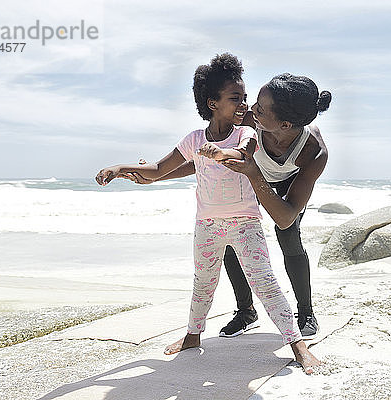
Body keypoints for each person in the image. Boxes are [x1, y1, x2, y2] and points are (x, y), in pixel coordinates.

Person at [95, 54, 320, 374]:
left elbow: (242, 154)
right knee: (203, 283)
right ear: (212, 102)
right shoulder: (194, 140)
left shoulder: (246, 134)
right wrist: (120, 169)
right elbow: (159, 169)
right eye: (235, 99)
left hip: (245, 224)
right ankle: (192, 335)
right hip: (207, 225)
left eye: (245, 98)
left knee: (265, 282)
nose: (244, 105)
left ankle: (298, 345)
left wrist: (219, 152)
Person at [132, 73, 331, 340]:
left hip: (281, 183)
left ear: (284, 123)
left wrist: (253, 174)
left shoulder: (313, 151)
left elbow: (285, 217)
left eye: (260, 108)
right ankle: (246, 311)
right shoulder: (249, 120)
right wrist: (154, 176)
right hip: (249, 177)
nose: (250, 109)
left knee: (288, 236)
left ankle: (305, 311)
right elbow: (205, 161)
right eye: (255, 103)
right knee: (228, 231)